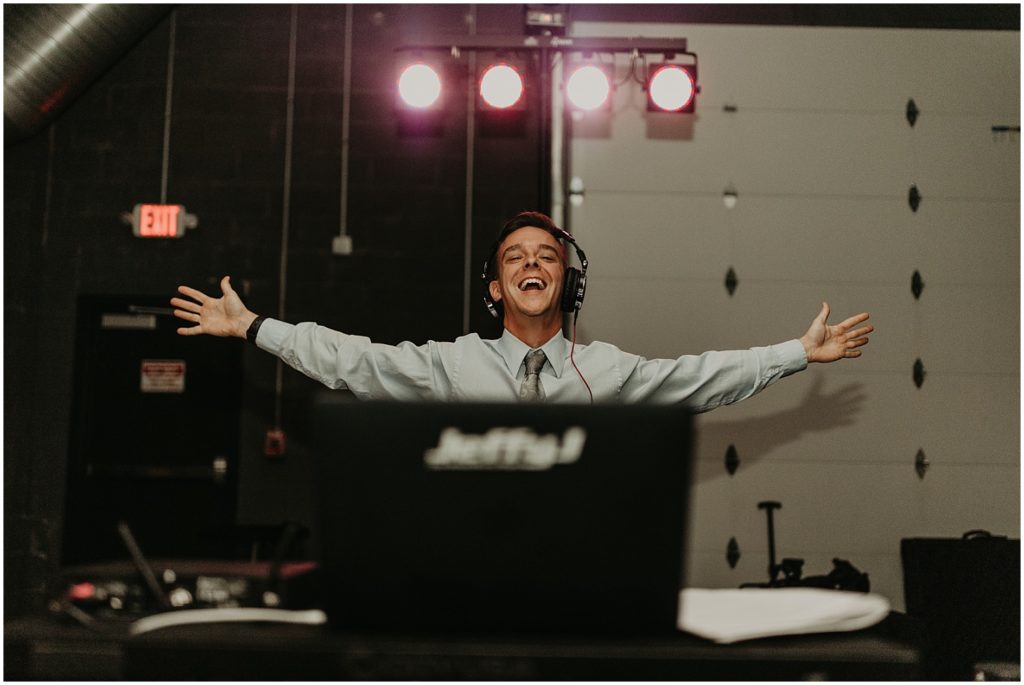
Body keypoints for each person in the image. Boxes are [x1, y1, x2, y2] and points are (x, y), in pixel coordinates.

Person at [170, 212, 873, 408]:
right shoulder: (451, 364)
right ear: (495, 289)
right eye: (515, 259)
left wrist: (794, 353)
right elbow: (353, 361)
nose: (533, 264)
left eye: (547, 256)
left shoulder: (609, 370)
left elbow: (701, 377)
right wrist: (256, 327)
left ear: (569, 282)